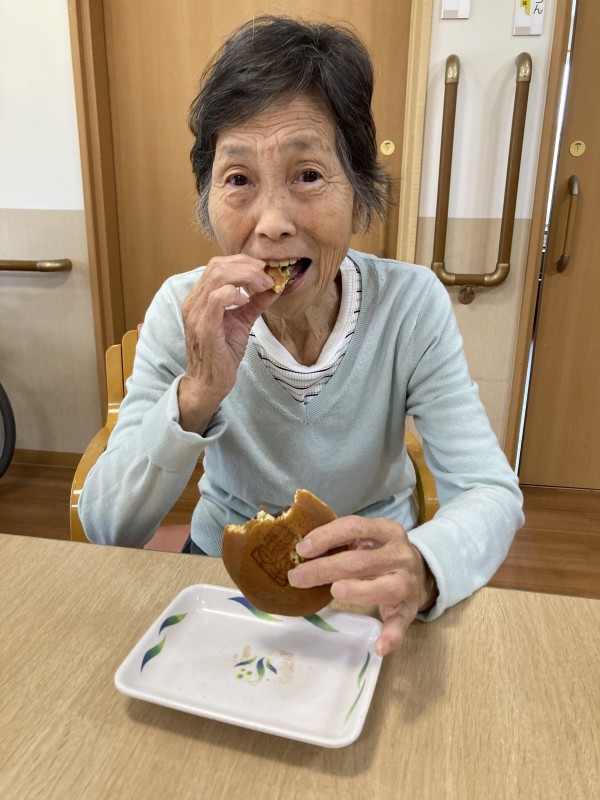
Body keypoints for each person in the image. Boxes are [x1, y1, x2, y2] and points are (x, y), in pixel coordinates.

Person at [80, 15, 524, 656]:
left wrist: (425, 565)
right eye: (238, 179)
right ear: (208, 200)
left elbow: (489, 491)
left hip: (369, 583)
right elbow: (106, 525)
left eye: (308, 174)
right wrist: (198, 391)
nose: (272, 224)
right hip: (224, 574)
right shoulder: (185, 309)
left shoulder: (410, 305)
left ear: (361, 194)